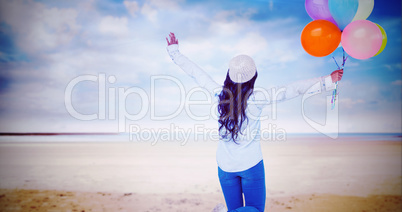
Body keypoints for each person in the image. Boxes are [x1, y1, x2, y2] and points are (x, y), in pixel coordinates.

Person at [166, 32, 343, 212]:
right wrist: (326, 81)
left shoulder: (219, 95)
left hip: (225, 167)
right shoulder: (257, 98)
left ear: (229, 74)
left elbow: (197, 74)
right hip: (251, 166)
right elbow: (290, 90)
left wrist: (174, 52)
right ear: (253, 77)